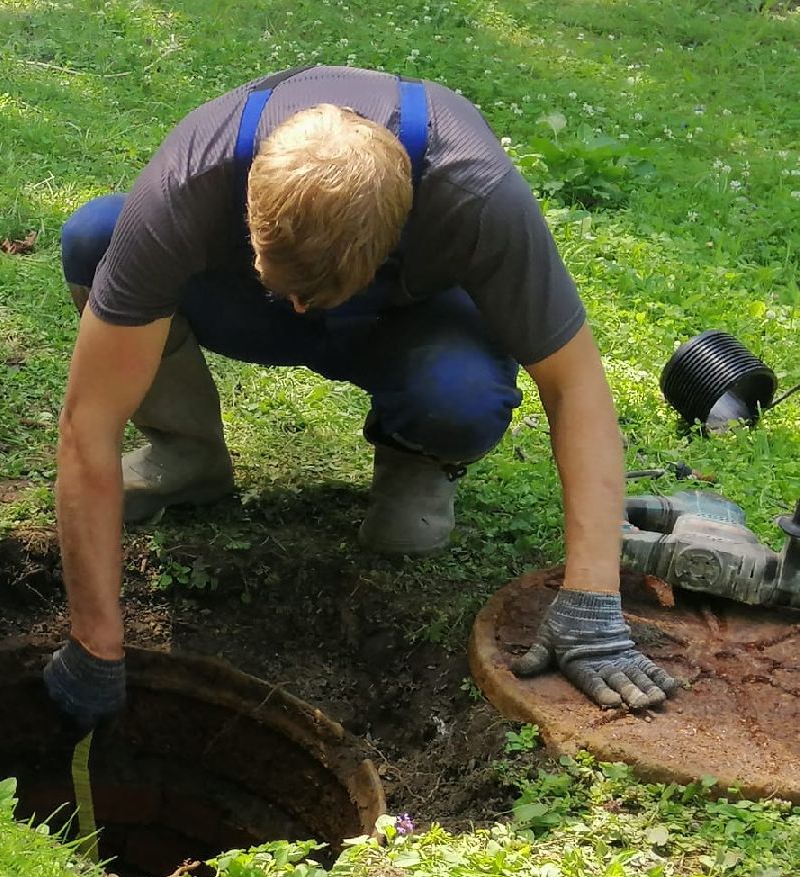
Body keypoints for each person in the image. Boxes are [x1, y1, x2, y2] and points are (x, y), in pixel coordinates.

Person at [39, 66, 678, 731]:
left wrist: (592, 604)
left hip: (404, 326)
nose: (297, 306)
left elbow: (574, 385)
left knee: (459, 400)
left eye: (309, 294)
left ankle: (415, 456)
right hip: (240, 305)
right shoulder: (189, 182)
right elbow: (88, 426)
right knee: (98, 236)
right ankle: (184, 451)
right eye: (282, 281)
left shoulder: (475, 194)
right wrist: (95, 642)